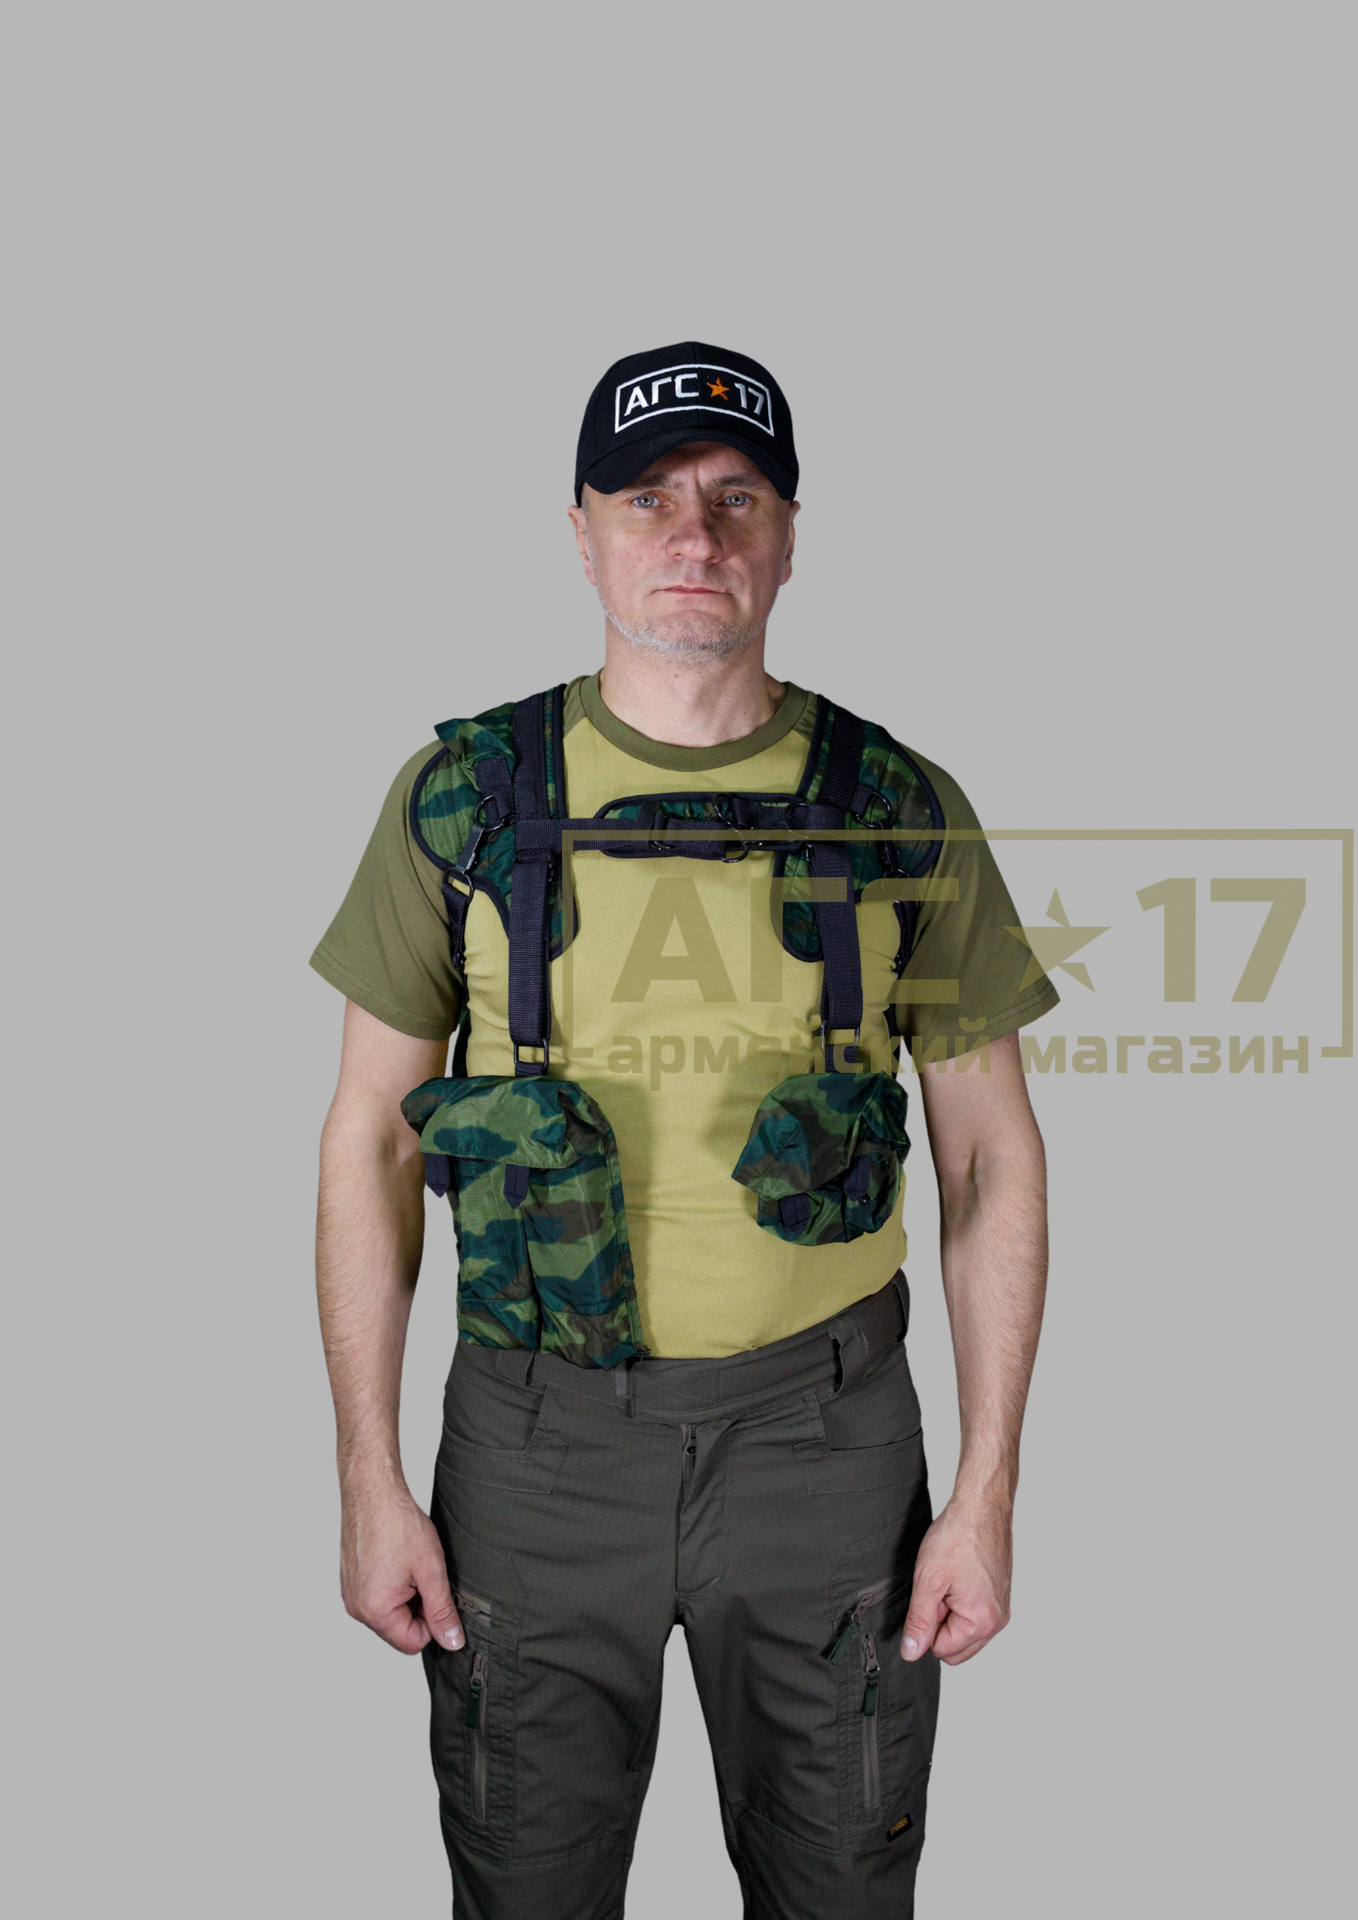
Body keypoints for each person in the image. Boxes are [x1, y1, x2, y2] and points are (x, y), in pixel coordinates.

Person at [312, 341, 1056, 1918]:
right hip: (533, 1450)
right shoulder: (464, 797)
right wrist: (369, 1480)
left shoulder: (897, 803)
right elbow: (371, 1141)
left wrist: (986, 1493)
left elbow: (989, 1158)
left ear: (788, 536)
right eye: (646, 498)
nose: (693, 536)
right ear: (580, 531)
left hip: (824, 1449)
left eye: (736, 498)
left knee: (841, 1884)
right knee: (525, 1887)